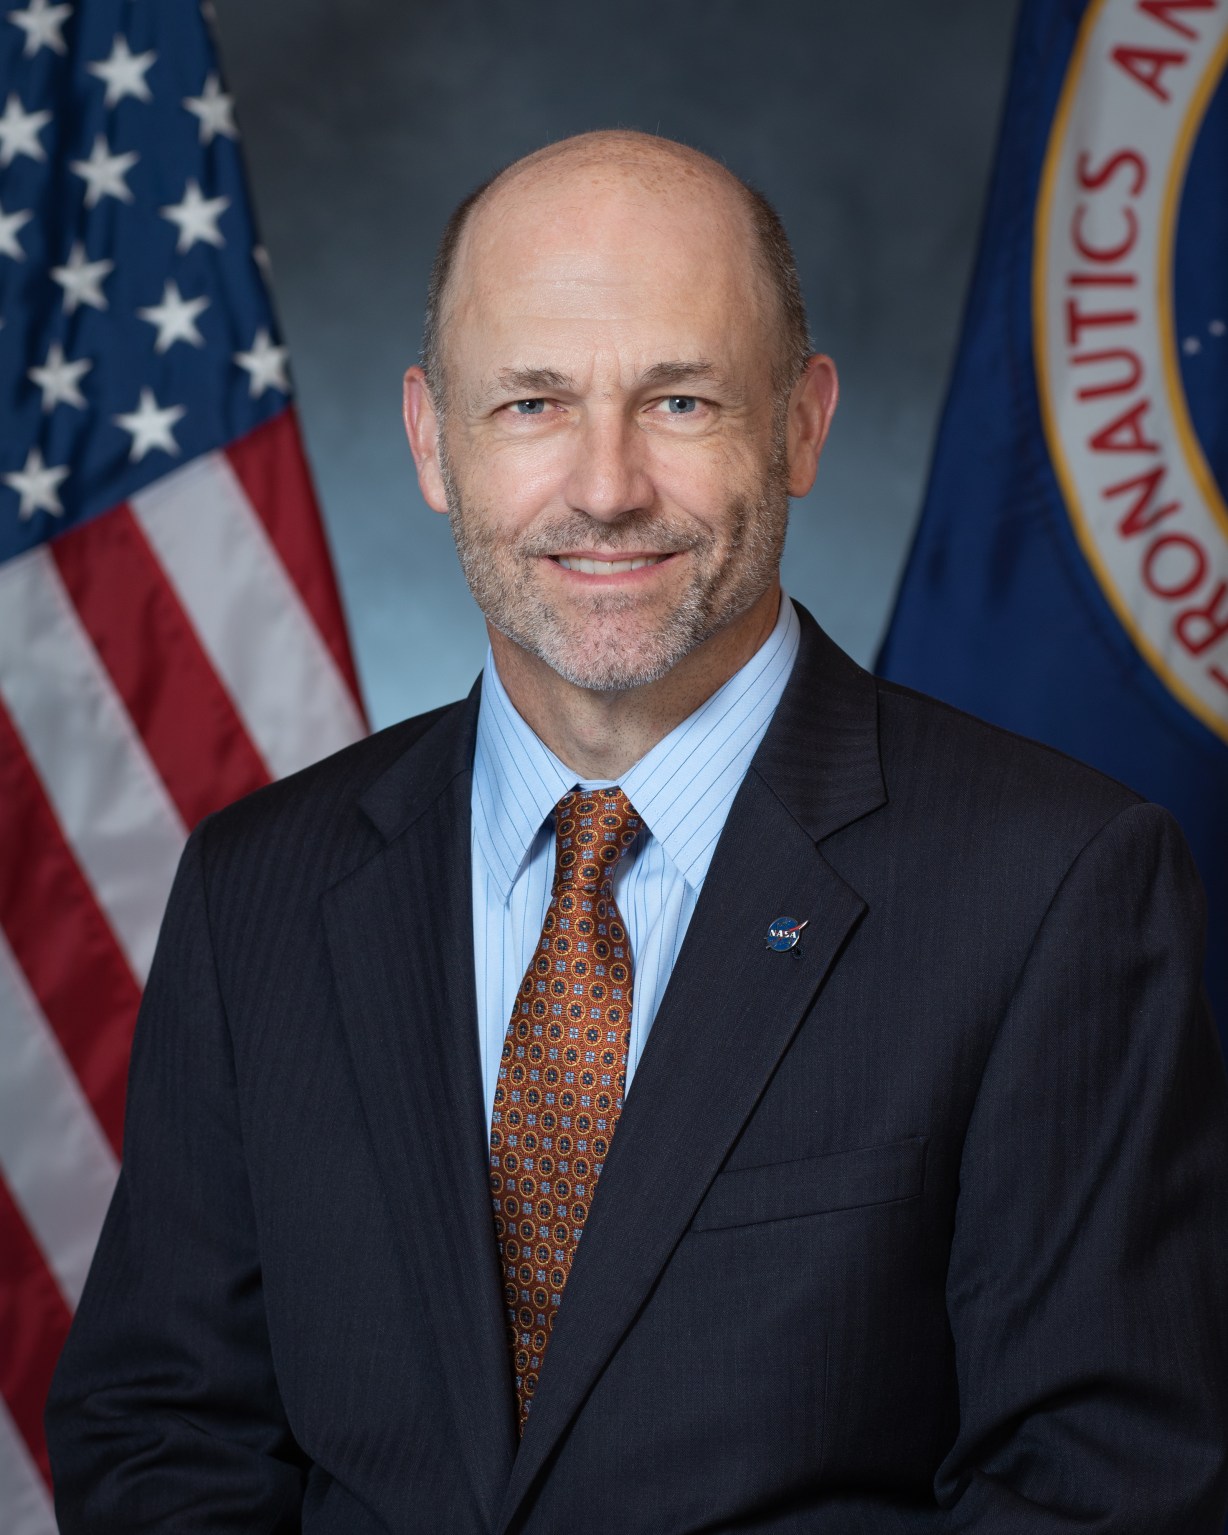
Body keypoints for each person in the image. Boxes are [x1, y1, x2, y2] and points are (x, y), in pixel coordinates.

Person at [46, 130, 1228, 1534]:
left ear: (799, 422)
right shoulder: (261, 885)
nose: (604, 487)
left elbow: (1099, 1491)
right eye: (532, 404)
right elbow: (164, 1426)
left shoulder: (1054, 885)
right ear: (433, 441)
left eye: (679, 399)